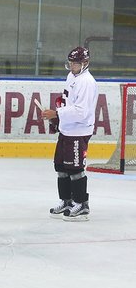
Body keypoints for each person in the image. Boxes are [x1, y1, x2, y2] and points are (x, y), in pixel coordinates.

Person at [41, 46, 97, 221]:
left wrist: (57, 114)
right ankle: (67, 201)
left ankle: (82, 204)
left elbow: (82, 111)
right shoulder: (71, 76)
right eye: (71, 62)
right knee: (61, 167)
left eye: (75, 63)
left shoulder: (87, 82)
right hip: (67, 129)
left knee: (75, 168)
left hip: (79, 131)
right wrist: (58, 120)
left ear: (85, 63)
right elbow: (68, 101)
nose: (72, 66)